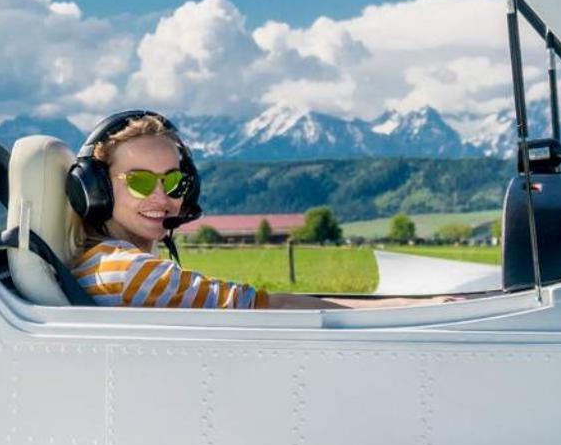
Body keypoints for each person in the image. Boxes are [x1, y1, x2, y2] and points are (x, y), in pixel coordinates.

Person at [64, 111, 453, 310]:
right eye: (141, 181)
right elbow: (268, 306)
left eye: (174, 181)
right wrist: (407, 308)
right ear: (96, 189)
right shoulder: (131, 273)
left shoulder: (104, 263)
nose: (162, 197)